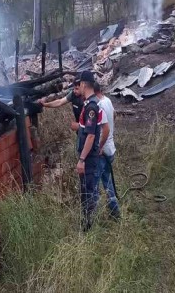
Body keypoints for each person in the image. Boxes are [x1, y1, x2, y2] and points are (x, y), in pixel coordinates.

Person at [75, 71, 103, 231]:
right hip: (89, 157)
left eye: (80, 84)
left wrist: (82, 160)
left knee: (88, 191)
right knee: (87, 189)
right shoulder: (90, 104)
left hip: (89, 158)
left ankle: (89, 226)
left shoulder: (91, 107)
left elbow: (90, 136)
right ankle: (88, 222)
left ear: (84, 84)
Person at [95, 83, 120, 219]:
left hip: (103, 151)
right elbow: (114, 115)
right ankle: (114, 211)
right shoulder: (108, 100)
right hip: (111, 148)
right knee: (107, 181)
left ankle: (98, 215)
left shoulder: (99, 106)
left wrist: (99, 147)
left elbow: (105, 129)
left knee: (96, 183)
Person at [38, 78, 83, 150]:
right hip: (80, 130)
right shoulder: (73, 95)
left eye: (77, 89)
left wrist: (80, 127)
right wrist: (45, 105)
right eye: (74, 88)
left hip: (86, 130)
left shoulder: (88, 100)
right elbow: (60, 102)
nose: (74, 91)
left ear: (83, 87)